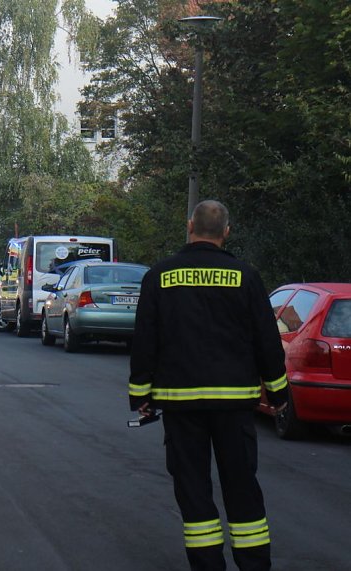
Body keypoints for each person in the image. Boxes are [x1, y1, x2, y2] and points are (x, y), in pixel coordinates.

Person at [129, 200, 288, 571]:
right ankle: (253, 563)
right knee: (241, 485)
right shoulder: (245, 276)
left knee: (193, 487)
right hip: (234, 405)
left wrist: (141, 396)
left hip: (181, 405)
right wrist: (279, 395)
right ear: (226, 232)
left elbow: (145, 341)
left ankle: (207, 563)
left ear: (189, 226)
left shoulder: (159, 276)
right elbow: (268, 342)